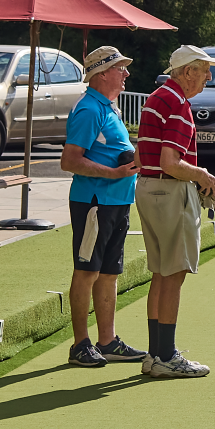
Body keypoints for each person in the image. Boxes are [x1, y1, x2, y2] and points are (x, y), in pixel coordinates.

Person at [134, 44, 215, 380]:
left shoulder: (157, 96)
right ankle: (167, 355)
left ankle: (156, 354)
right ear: (187, 72)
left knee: (161, 274)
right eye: (204, 70)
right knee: (174, 274)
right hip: (169, 193)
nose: (208, 77)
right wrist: (202, 175)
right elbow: (170, 163)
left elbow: (144, 158)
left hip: (146, 188)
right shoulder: (178, 104)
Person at [60, 47, 146, 369]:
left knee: (109, 274)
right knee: (87, 272)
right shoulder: (89, 110)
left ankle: (107, 341)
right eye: (120, 68)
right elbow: (69, 160)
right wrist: (112, 173)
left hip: (117, 202)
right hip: (94, 203)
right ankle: (80, 344)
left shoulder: (109, 108)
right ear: (102, 74)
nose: (126, 74)